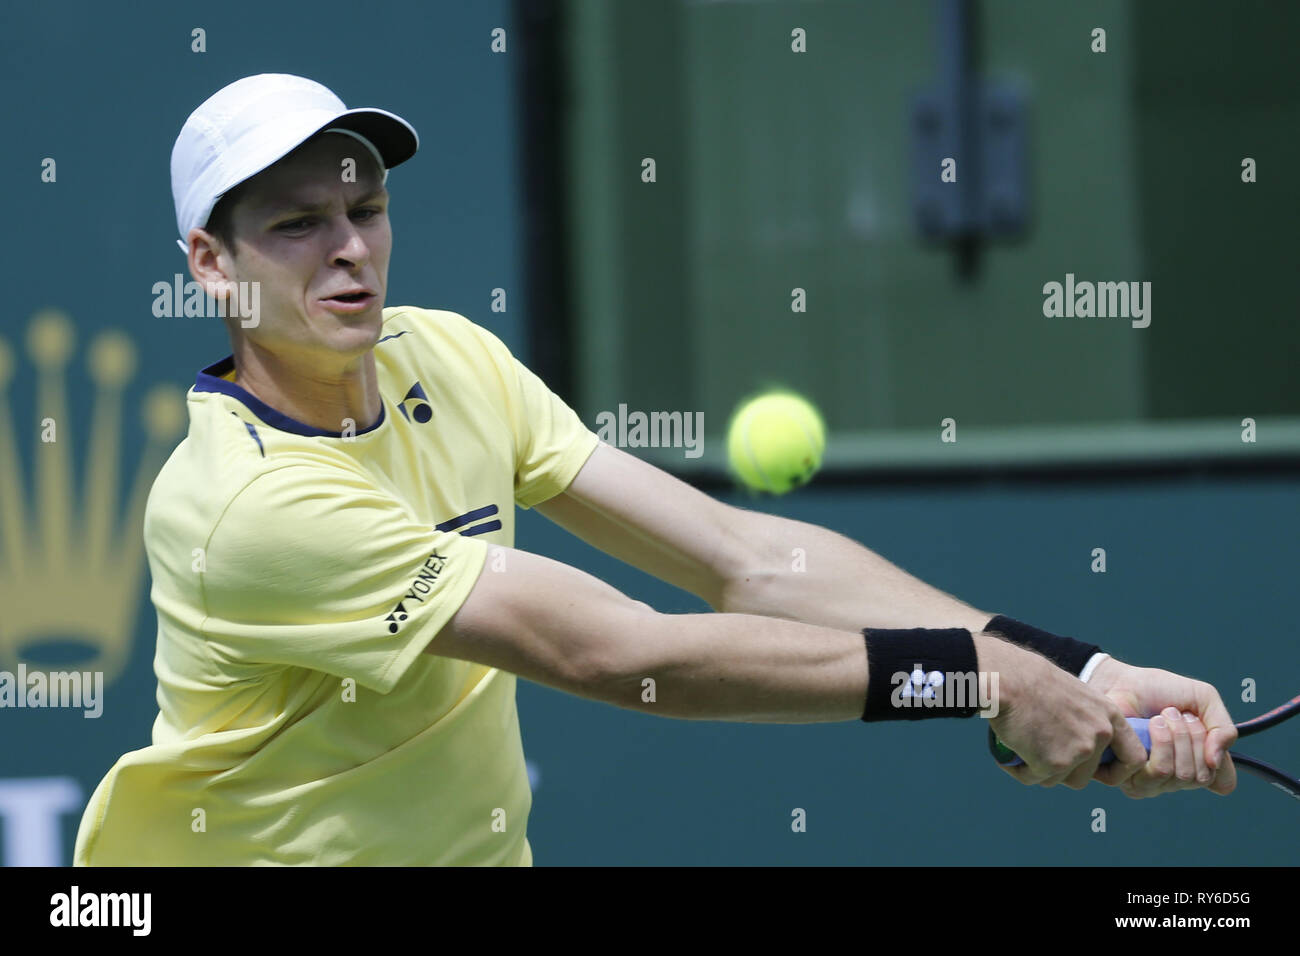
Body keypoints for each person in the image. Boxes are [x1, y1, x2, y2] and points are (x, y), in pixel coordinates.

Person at [74, 74, 1237, 867]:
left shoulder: (451, 356)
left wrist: (1068, 664)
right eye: (295, 226)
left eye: (366, 208)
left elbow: (747, 562)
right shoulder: (246, 506)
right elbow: (622, 654)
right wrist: (976, 680)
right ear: (211, 266)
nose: (349, 248)